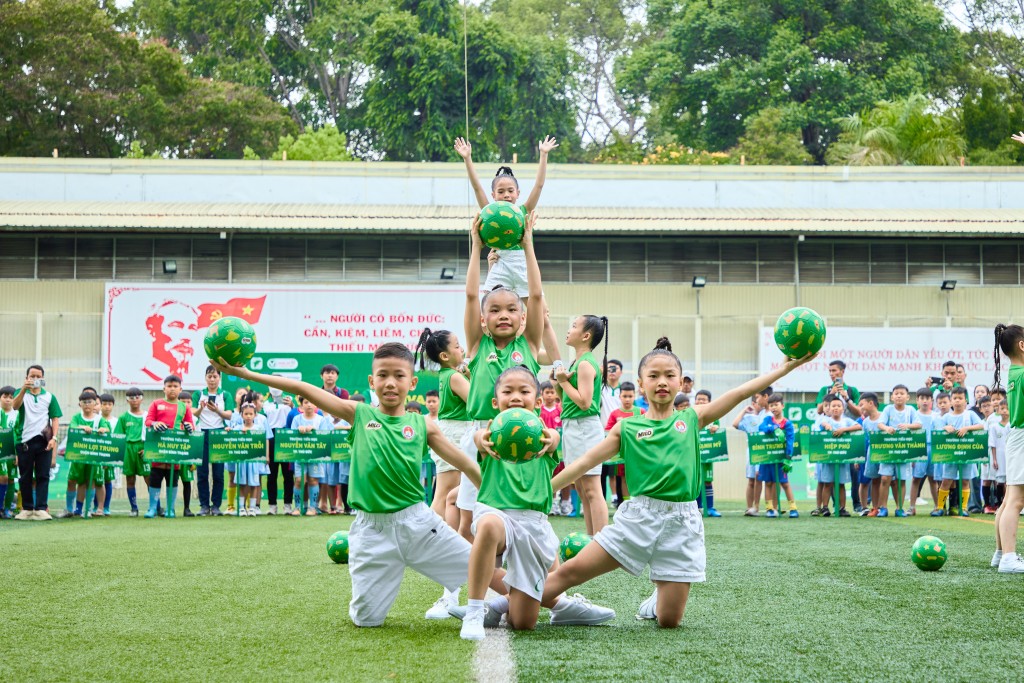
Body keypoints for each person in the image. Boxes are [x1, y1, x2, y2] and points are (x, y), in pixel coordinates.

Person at [541, 338, 815, 628]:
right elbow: (582, 463)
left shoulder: (693, 418)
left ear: (680, 381)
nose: (662, 382)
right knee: (567, 574)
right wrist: (545, 492)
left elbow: (741, 391)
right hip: (638, 519)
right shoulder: (628, 427)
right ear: (641, 383)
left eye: (669, 376)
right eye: (654, 376)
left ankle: (656, 599)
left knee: (670, 621)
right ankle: (504, 603)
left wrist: (785, 369)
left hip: (682, 522)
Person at [211, 342, 485, 628]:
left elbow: (467, 465)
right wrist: (246, 374)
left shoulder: (422, 425)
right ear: (371, 381)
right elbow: (303, 389)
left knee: (484, 569)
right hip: (371, 532)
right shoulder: (359, 414)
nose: (390, 383)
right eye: (382, 375)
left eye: (399, 376)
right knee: (367, 620)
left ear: (412, 381)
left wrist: (492, 499)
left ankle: (518, 600)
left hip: (417, 523)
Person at [458, 366, 615, 640]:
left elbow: (553, 439)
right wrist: (480, 439)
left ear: (538, 401)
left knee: (523, 623)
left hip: (534, 524)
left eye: (524, 391)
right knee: (489, 527)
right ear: (495, 403)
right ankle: (474, 611)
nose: (516, 396)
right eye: (507, 392)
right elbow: (479, 439)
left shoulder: (544, 437)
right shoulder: (490, 434)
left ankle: (508, 604)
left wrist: (553, 438)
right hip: (497, 513)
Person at [457, 211, 545, 542]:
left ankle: (526, 587)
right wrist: (476, 247)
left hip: (524, 437)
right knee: (468, 523)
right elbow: (470, 296)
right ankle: (455, 592)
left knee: (524, 518)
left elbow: (535, 295)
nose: (503, 315)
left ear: (522, 318)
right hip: (481, 435)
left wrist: (528, 245)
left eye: (511, 309)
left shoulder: (530, 344)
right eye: (494, 310)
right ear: (482, 319)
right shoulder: (478, 345)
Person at [414, 329, 473, 620]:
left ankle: (429, 536)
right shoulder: (453, 376)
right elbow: (475, 402)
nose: (463, 350)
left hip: (451, 433)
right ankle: (429, 537)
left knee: (449, 494)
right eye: (458, 346)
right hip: (455, 435)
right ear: (446, 355)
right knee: (449, 495)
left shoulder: (448, 375)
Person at [555, 314, 610, 536]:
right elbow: (569, 399)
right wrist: (559, 383)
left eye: (574, 326)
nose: (569, 330)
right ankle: (591, 539)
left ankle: (602, 542)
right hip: (574, 427)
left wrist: (562, 382)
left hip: (584, 428)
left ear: (586, 336)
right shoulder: (578, 362)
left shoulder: (586, 364)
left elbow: (585, 403)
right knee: (581, 487)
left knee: (592, 489)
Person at [991, 322, 1024, 572]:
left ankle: (1002, 553)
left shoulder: (1014, 372)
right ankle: (1009, 558)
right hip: (1022, 435)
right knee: (1016, 501)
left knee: (1008, 500)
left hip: (1017, 434)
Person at [12, 364, 61, 520]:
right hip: (24, 441)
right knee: (25, 476)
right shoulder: (20, 393)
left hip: (43, 441)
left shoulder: (49, 397)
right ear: (26, 378)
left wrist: (54, 438)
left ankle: (41, 508)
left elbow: (55, 419)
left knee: (43, 475)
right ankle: (26, 509)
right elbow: (14, 406)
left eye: (38, 376)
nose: (35, 379)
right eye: (32, 376)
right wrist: (23, 389)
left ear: (43, 378)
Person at [144, 374, 196, 519]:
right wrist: (155, 424)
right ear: (163, 388)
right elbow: (148, 420)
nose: (172, 389)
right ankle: (152, 508)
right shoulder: (156, 403)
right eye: (169, 386)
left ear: (180, 389)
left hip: (175, 450)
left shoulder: (184, 407)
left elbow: (191, 424)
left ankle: (170, 509)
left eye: (175, 386)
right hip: (158, 449)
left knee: (172, 480)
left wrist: (188, 427)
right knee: (155, 479)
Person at [930, 387, 985, 517]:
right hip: (950, 455)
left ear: (965, 401)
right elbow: (938, 430)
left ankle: (963, 508)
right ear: (951, 401)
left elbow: (981, 425)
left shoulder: (970, 414)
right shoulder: (947, 416)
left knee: (965, 481)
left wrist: (967, 428)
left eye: (960, 398)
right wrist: (945, 427)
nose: (958, 401)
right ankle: (939, 507)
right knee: (946, 481)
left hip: (967, 454)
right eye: (955, 398)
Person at [877, 384, 922, 517]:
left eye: (902, 393)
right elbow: (880, 424)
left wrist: (907, 426)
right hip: (888, 449)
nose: (899, 396)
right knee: (885, 478)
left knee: (901, 480)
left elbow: (919, 424)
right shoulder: (888, 409)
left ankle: (899, 508)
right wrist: (886, 428)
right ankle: (883, 508)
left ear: (907, 397)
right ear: (892, 397)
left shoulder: (911, 410)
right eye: (896, 393)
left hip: (904, 450)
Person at [812, 395, 860, 517]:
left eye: (839, 406)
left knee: (841, 484)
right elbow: (822, 423)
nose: (836, 408)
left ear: (843, 409)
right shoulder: (826, 420)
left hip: (843, 459)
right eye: (833, 406)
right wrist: (826, 426)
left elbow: (859, 426)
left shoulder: (846, 421)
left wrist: (843, 430)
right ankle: (825, 507)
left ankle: (842, 508)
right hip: (828, 459)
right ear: (829, 408)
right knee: (827, 483)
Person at [65, 391, 111, 517]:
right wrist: (82, 428)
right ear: (80, 404)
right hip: (78, 455)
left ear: (95, 403)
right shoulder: (76, 417)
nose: (87, 405)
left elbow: (108, 429)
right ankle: (71, 508)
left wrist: (103, 429)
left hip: (94, 456)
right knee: (73, 481)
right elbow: (72, 428)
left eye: (90, 402)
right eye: (84, 402)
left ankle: (88, 509)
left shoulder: (99, 419)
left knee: (90, 482)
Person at [194, 365, 231, 516]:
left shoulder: (225, 395)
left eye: (215, 376)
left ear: (219, 378)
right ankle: (204, 505)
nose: (212, 379)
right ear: (205, 378)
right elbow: (193, 414)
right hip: (201, 433)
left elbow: (229, 415)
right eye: (209, 376)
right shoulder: (198, 394)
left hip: (219, 434)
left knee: (218, 473)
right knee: (202, 472)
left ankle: (216, 505)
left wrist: (217, 410)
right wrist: (201, 408)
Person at [288, 395, 330, 517]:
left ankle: (313, 507)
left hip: (316, 457)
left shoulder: (320, 420)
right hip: (299, 456)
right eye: (306, 402)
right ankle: (298, 506)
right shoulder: (296, 419)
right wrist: (298, 430)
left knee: (313, 480)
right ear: (301, 405)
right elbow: (290, 436)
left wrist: (314, 430)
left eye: (312, 402)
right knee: (299, 480)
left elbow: (325, 437)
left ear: (316, 405)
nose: (309, 405)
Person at [758, 394, 799, 518]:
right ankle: (769, 509)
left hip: (782, 459)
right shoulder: (767, 420)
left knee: (785, 483)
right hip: (767, 458)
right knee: (768, 483)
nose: (774, 408)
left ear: (782, 406)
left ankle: (793, 508)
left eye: (776, 405)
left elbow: (791, 440)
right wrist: (773, 427)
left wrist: (788, 456)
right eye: (771, 405)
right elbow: (761, 427)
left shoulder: (788, 424)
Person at [605, 381, 643, 509]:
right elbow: (608, 430)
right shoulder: (615, 414)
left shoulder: (641, 412)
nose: (627, 399)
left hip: (638, 452)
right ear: (620, 396)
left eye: (630, 396)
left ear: (634, 396)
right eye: (625, 396)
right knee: (623, 477)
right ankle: (627, 504)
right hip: (621, 453)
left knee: (638, 476)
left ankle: (639, 502)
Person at [733, 389, 770, 516]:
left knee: (761, 478)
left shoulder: (768, 415)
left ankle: (760, 506)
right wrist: (744, 410)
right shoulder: (753, 417)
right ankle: (750, 507)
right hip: (752, 450)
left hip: (765, 450)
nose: (757, 401)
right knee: (751, 479)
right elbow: (735, 424)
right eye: (755, 400)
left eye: (758, 398)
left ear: (765, 397)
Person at [228, 402, 266, 517]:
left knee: (254, 484)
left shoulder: (259, 428)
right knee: (242, 484)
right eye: (246, 414)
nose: (248, 416)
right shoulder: (237, 428)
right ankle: (241, 508)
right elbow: (231, 440)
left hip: (254, 462)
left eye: (251, 414)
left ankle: (252, 508)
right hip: (241, 462)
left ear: (255, 415)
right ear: (242, 415)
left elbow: (262, 442)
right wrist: (229, 431)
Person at [114, 388, 148, 516]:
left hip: (143, 448)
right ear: (127, 400)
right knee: (130, 479)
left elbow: (152, 434)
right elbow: (118, 436)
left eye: (137, 397)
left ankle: (155, 506)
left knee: (149, 478)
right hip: (129, 449)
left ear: (142, 398)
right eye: (131, 398)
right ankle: (134, 508)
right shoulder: (123, 417)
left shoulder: (147, 416)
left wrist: (148, 449)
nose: (134, 400)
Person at [539, 381, 570, 516]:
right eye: (547, 392)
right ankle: (553, 502)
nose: (550, 395)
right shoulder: (539, 410)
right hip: (546, 450)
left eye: (552, 392)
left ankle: (566, 502)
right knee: (549, 475)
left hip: (561, 449)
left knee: (565, 475)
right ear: (542, 394)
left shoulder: (560, 409)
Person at [908, 389, 938, 516]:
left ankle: (938, 506)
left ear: (932, 400)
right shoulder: (913, 415)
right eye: (922, 398)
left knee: (933, 479)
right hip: (918, 447)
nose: (925, 401)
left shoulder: (936, 415)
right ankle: (912, 507)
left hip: (934, 448)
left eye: (927, 398)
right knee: (916, 478)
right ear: (917, 400)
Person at [857, 393, 884, 516]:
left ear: (871, 403)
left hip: (885, 453)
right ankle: (875, 508)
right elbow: (864, 440)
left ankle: (885, 507)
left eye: (862, 404)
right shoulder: (865, 422)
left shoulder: (884, 417)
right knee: (874, 480)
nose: (860, 408)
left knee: (887, 480)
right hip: (870, 454)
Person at [985, 399, 1009, 514]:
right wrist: (994, 459)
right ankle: (1000, 505)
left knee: (1010, 482)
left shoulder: (1012, 426)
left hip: (1010, 456)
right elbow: (992, 444)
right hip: (999, 457)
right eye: (1002, 409)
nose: (1004, 411)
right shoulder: (994, 427)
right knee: (1000, 481)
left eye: (1006, 409)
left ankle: (1009, 505)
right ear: (998, 410)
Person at [177, 391, 197, 516]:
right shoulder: (173, 416)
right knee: (172, 481)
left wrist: (194, 460)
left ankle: (187, 508)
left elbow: (197, 439)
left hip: (188, 455)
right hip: (174, 453)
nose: (185, 404)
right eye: (182, 402)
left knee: (187, 482)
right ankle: (170, 508)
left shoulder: (195, 419)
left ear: (192, 403)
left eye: (188, 402)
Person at [0, 386, 17, 518]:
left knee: (11, 479)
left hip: (12, 451)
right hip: (1, 451)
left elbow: (19, 434)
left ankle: (7, 509)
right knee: (3, 477)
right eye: (5, 396)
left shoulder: (18, 414)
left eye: (11, 397)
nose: (8, 400)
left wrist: (18, 453)